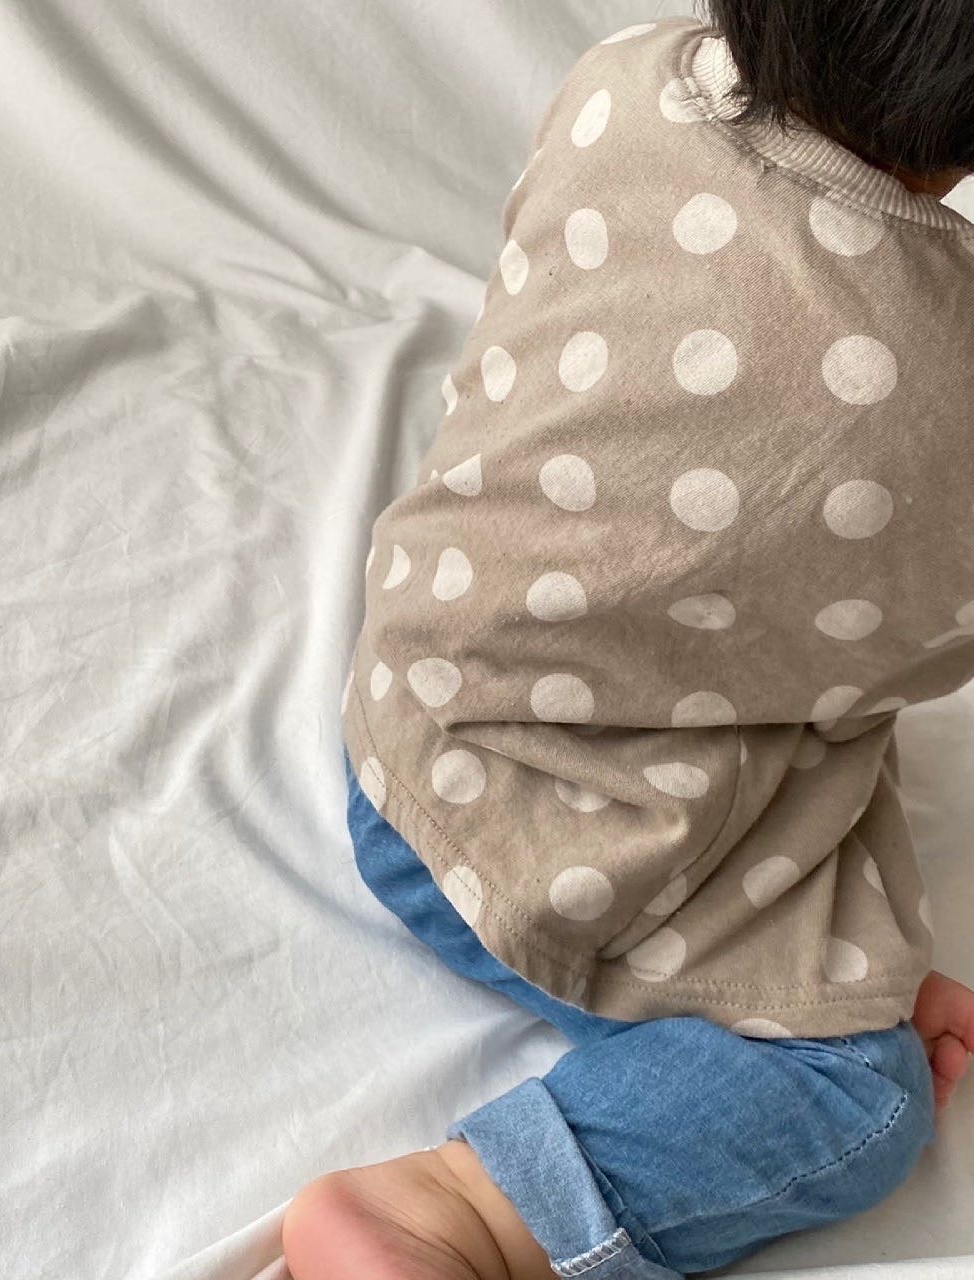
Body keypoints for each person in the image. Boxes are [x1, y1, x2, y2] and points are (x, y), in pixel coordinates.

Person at [284, 3, 974, 1277]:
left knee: (788, 658)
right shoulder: (943, 366)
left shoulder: (625, 80)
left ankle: (814, 955)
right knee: (858, 1096)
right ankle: (460, 1208)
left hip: (406, 741)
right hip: (553, 857)